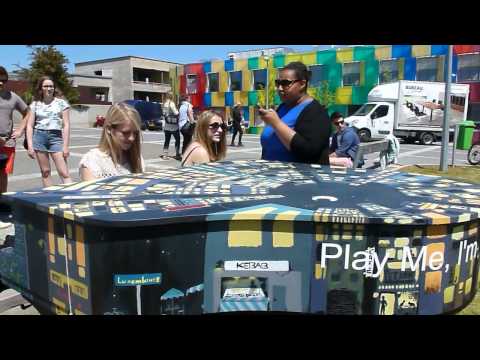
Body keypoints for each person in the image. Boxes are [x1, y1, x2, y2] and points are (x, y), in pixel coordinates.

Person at [259, 61, 331, 164]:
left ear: (302, 84)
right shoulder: (282, 108)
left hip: (300, 178)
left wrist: (276, 124)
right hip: (271, 176)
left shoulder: (316, 112)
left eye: (285, 83)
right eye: (278, 83)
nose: (279, 88)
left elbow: (308, 151)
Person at [26, 76, 72, 188]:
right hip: (39, 137)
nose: (49, 88)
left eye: (51, 86)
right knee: (45, 172)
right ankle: (49, 197)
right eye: (46, 86)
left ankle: (72, 197)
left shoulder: (62, 103)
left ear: (54, 88)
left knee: (64, 172)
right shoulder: (35, 104)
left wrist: (65, 146)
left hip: (56, 138)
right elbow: (30, 125)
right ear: (41, 88)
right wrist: (30, 146)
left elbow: (66, 125)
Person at [79, 103, 145, 180]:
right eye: (125, 133)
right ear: (109, 130)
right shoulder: (92, 161)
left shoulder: (137, 158)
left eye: (135, 133)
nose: (132, 138)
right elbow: (91, 191)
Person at [0, 66, 31, 195]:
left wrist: (20, 130)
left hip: (7, 142)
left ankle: (2, 201)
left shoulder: (12, 97)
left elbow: (28, 112)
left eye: (3, 80)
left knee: (3, 174)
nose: (1, 83)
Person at [161, 93, 181, 161]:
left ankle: (164, 155)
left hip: (166, 125)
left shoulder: (164, 104)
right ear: (171, 96)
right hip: (173, 126)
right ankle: (177, 154)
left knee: (167, 140)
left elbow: (164, 114)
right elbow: (176, 113)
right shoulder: (171, 103)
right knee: (177, 140)